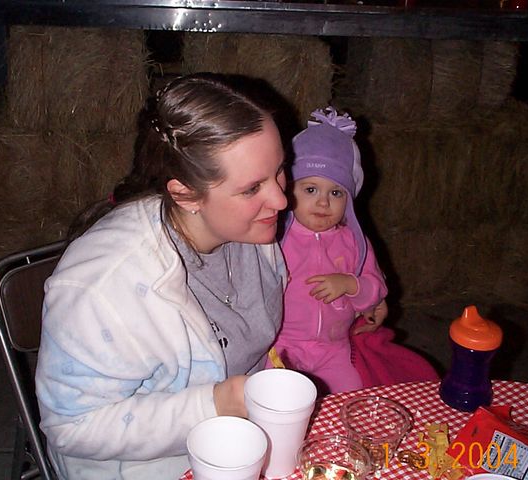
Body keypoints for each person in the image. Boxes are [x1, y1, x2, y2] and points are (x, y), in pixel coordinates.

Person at [35, 73, 289, 479]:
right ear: (185, 195)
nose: (280, 198)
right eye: (251, 189)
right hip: (151, 467)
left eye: (279, 170)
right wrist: (214, 404)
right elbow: (71, 426)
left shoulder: (250, 231)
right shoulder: (103, 287)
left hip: (241, 441)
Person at [268, 106, 388, 395]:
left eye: (336, 193)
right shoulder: (275, 237)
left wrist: (351, 285)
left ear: (349, 200)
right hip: (282, 345)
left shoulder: (354, 241)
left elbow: (376, 288)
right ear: (289, 189)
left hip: (333, 348)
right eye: (310, 190)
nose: (323, 203)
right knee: (277, 398)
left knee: (351, 397)